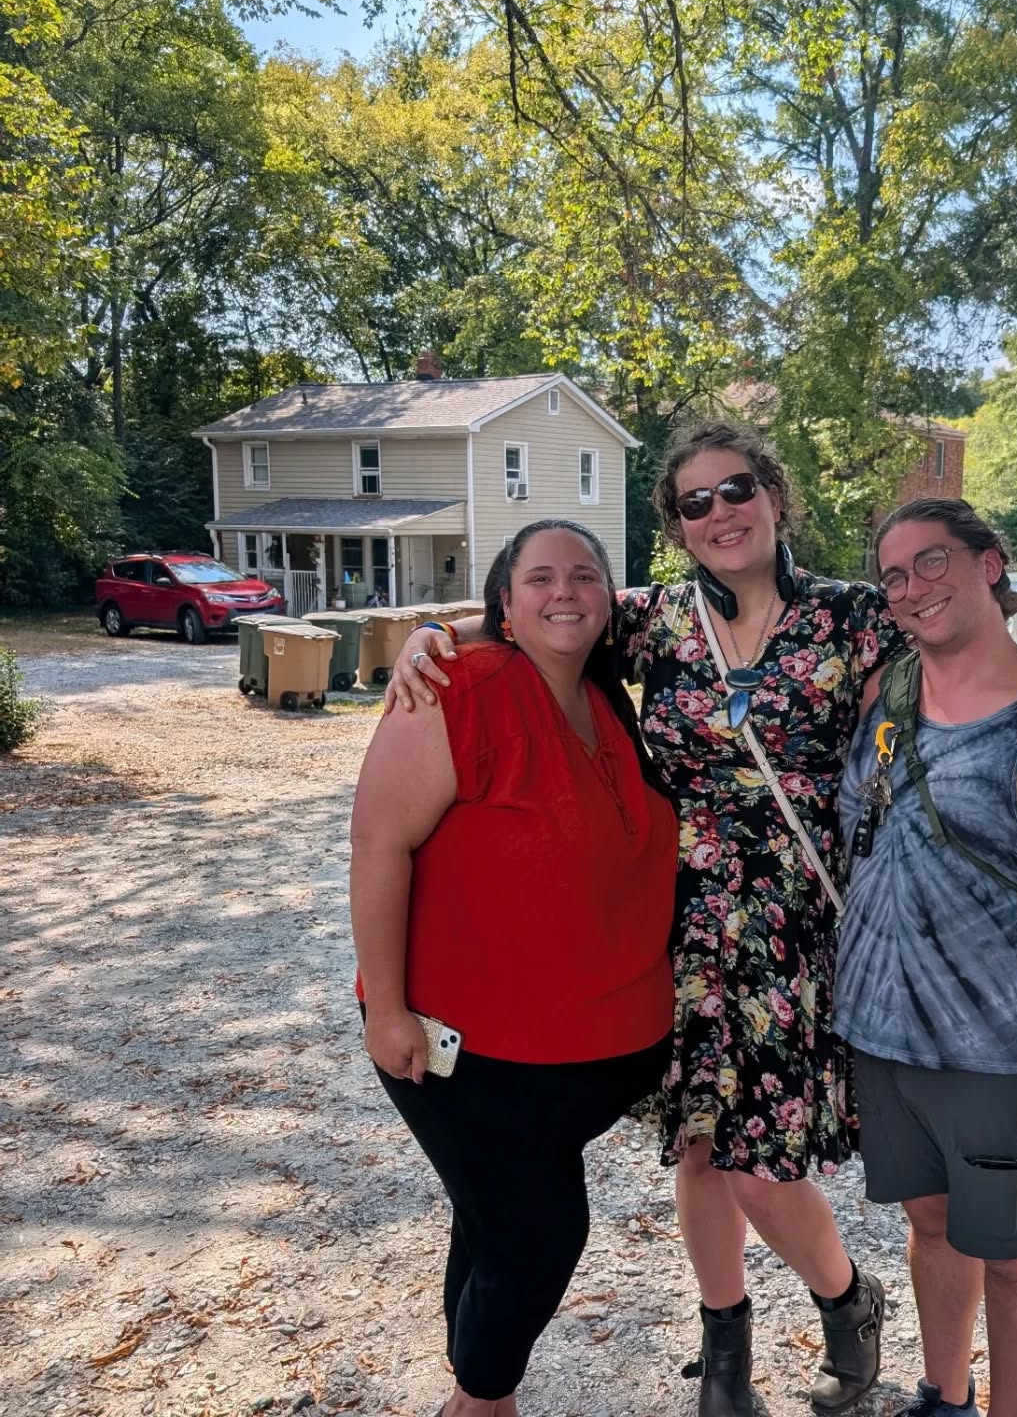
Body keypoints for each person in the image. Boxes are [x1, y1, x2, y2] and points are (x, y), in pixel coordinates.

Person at [387, 422, 905, 1416]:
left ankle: (848, 1299)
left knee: (762, 1165)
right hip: (679, 923)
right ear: (676, 526)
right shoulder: (654, 622)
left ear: (776, 496)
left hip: (793, 927)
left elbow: (924, 740)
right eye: (695, 502)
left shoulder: (853, 618)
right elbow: (539, 609)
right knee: (701, 1147)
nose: (720, 512)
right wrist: (432, 635)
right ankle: (726, 1359)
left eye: (736, 489)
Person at [351, 519, 678, 1417]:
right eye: (540, 577)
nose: (565, 590)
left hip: (587, 1054)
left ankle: (471, 1374)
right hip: (468, 1048)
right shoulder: (462, 683)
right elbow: (380, 842)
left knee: (494, 1218)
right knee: (540, 1230)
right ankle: (483, 1399)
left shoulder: (610, 697)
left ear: (612, 601)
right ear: (505, 601)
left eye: (586, 575)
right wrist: (386, 1008)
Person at [835, 498, 1017, 1417]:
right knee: (931, 1226)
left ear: (989, 564)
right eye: (893, 576)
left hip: (998, 1052)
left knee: (1015, 1254)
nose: (913, 588)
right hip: (883, 1036)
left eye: (932, 562)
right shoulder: (883, 695)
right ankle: (945, 1394)